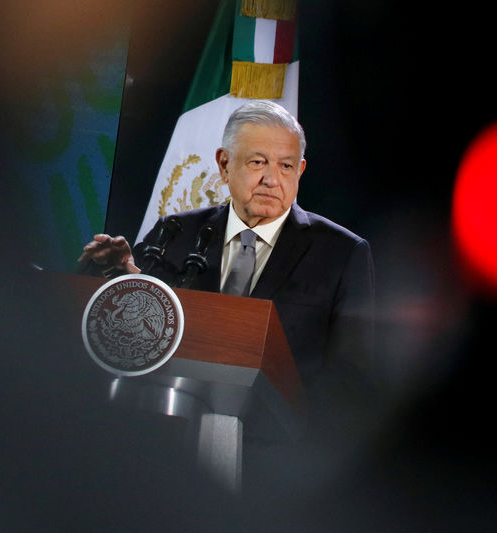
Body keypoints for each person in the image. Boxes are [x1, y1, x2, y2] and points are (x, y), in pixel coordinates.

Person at [78, 100, 375, 415]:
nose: (272, 180)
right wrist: (122, 277)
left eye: (286, 165)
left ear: (300, 170)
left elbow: (350, 377)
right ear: (224, 164)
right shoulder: (175, 234)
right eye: (258, 162)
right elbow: (133, 337)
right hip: (166, 428)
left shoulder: (341, 253)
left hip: (275, 450)